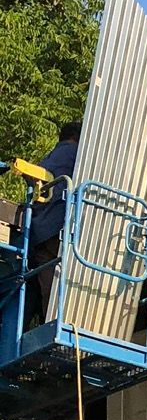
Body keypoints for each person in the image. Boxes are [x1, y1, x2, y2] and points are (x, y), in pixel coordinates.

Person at [24, 120, 80, 326]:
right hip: (59, 227)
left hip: (38, 232)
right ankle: (61, 324)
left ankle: (47, 325)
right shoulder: (76, 155)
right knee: (67, 282)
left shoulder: (47, 159)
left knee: (45, 286)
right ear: (77, 137)